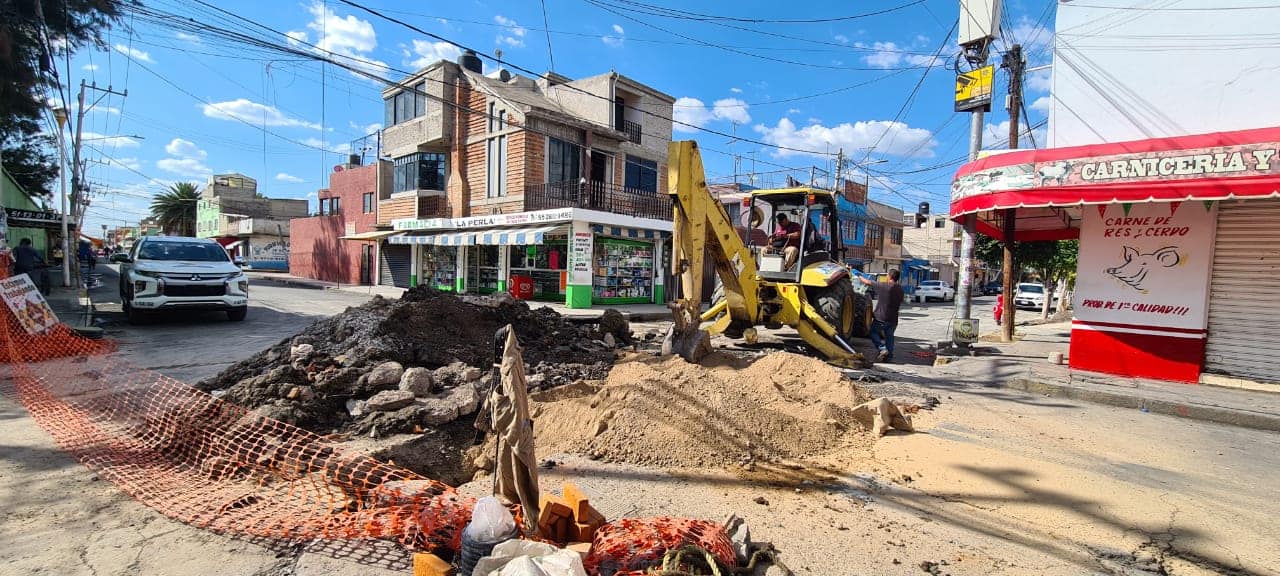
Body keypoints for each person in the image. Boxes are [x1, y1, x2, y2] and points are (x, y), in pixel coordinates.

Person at [858, 269, 905, 362]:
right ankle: (889, 358)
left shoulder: (884, 286)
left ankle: (882, 348)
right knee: (890, 337)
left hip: (881, 317)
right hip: (893, 319)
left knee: (873, 332)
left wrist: (858, 275)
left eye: (887, 275)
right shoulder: (900, 289)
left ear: (889, 276)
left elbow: (867, 282)